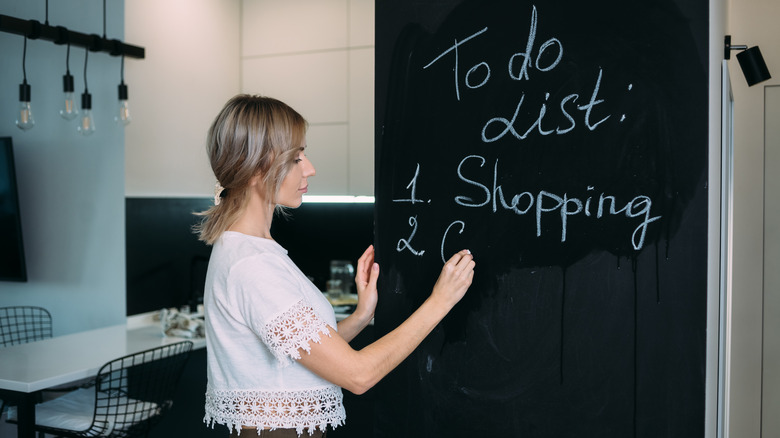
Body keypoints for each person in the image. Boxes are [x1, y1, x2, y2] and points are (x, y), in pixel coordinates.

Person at [195, 95, 475, 438]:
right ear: (257, 168)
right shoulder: (253, 266)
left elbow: (302, 351)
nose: (309, 168)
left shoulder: (244, 249)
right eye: (296, 157)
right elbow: (358, 376)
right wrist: (440, 302)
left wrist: (360, 315)